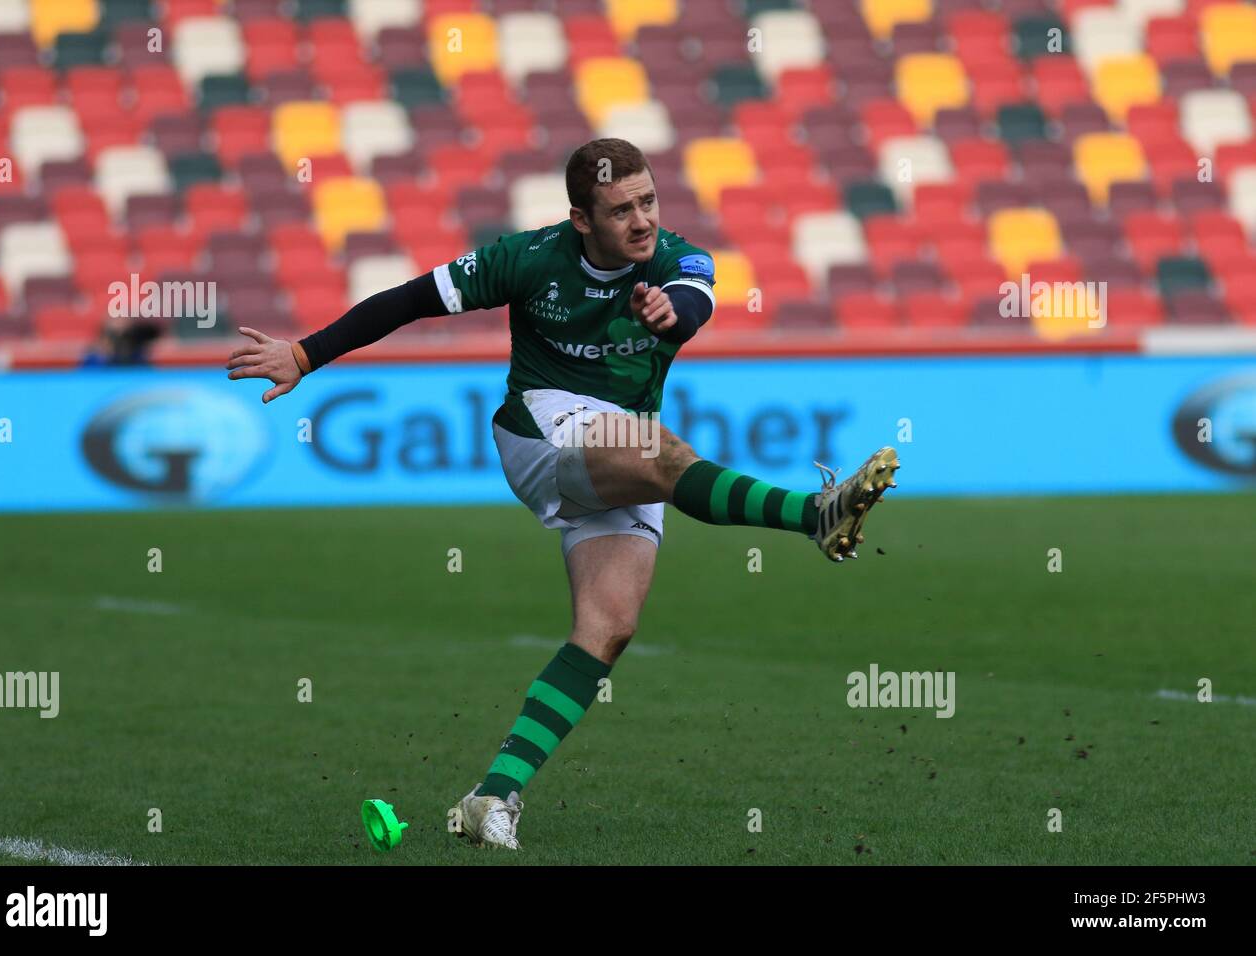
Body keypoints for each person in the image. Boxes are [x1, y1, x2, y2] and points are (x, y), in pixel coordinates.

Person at [226, 138, 899, 850]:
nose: (641, 221)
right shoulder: (527, 259)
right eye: (620, 210)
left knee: (607, 628)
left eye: (648, 202)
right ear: (582, 218)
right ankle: (815, 515)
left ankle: (492, 798)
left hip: (616, 446)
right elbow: (408, 301)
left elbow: (693, 302)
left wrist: (669, 313)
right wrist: (304, 355)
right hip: (541, 434)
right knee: (666, 456)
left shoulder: (677, 259)